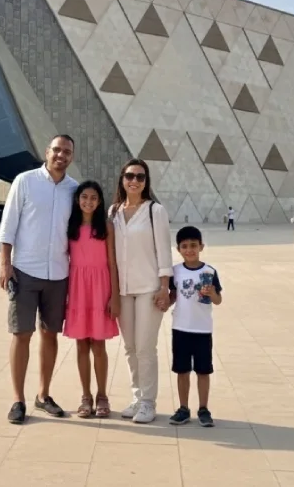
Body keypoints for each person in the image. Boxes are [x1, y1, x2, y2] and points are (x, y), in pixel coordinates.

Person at [0, 135, 78, 424]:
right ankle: (18, 399)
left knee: (50, 333)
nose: (61, 155)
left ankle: (43, 395)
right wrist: (5, 264)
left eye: (66, 152)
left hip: (58, 272)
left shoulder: (75, 190)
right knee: (21, 334)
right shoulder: (25, 181)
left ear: (72, 157)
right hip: (25, 270)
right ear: (47, 152)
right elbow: (9, 224)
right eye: (56, 150)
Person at [110, 158, 172, 424]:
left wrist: (164, 287)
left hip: (149, 288)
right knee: (130, 347)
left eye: (140, 177)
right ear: (122, 179)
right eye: (129, 176)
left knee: (146, 347)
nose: (134, 181)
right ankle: (137, 397)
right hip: (124, 290)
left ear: (146, 182)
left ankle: (148, 402)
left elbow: (164, 250)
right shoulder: (113, 211)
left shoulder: (154, 211)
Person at [63, 180, 120, 418]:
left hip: (100, 288)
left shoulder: (106, 227)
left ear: (100, 201)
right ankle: (85, 396)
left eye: (93, 198)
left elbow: (112, 262)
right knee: (81, 344)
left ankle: (102, 395)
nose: (88, 202)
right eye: (84, 197)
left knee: (99, 344)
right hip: (78, 289)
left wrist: (114, 296)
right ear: (78, 200)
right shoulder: (70, 226)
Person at [167, 226, 222, 427]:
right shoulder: (176, 271)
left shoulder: (209, 272)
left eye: (193, 246)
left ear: (201, 246)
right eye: (185, 246)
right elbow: (173, 296)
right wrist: (164, 302)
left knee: (203, 371)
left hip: (202, 329)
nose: (189, 250)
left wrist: (212, 294)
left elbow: (218, 300)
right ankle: (183, 408)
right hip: (181, 328)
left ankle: (203, 408)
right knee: (182, 370)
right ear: (178, 249)